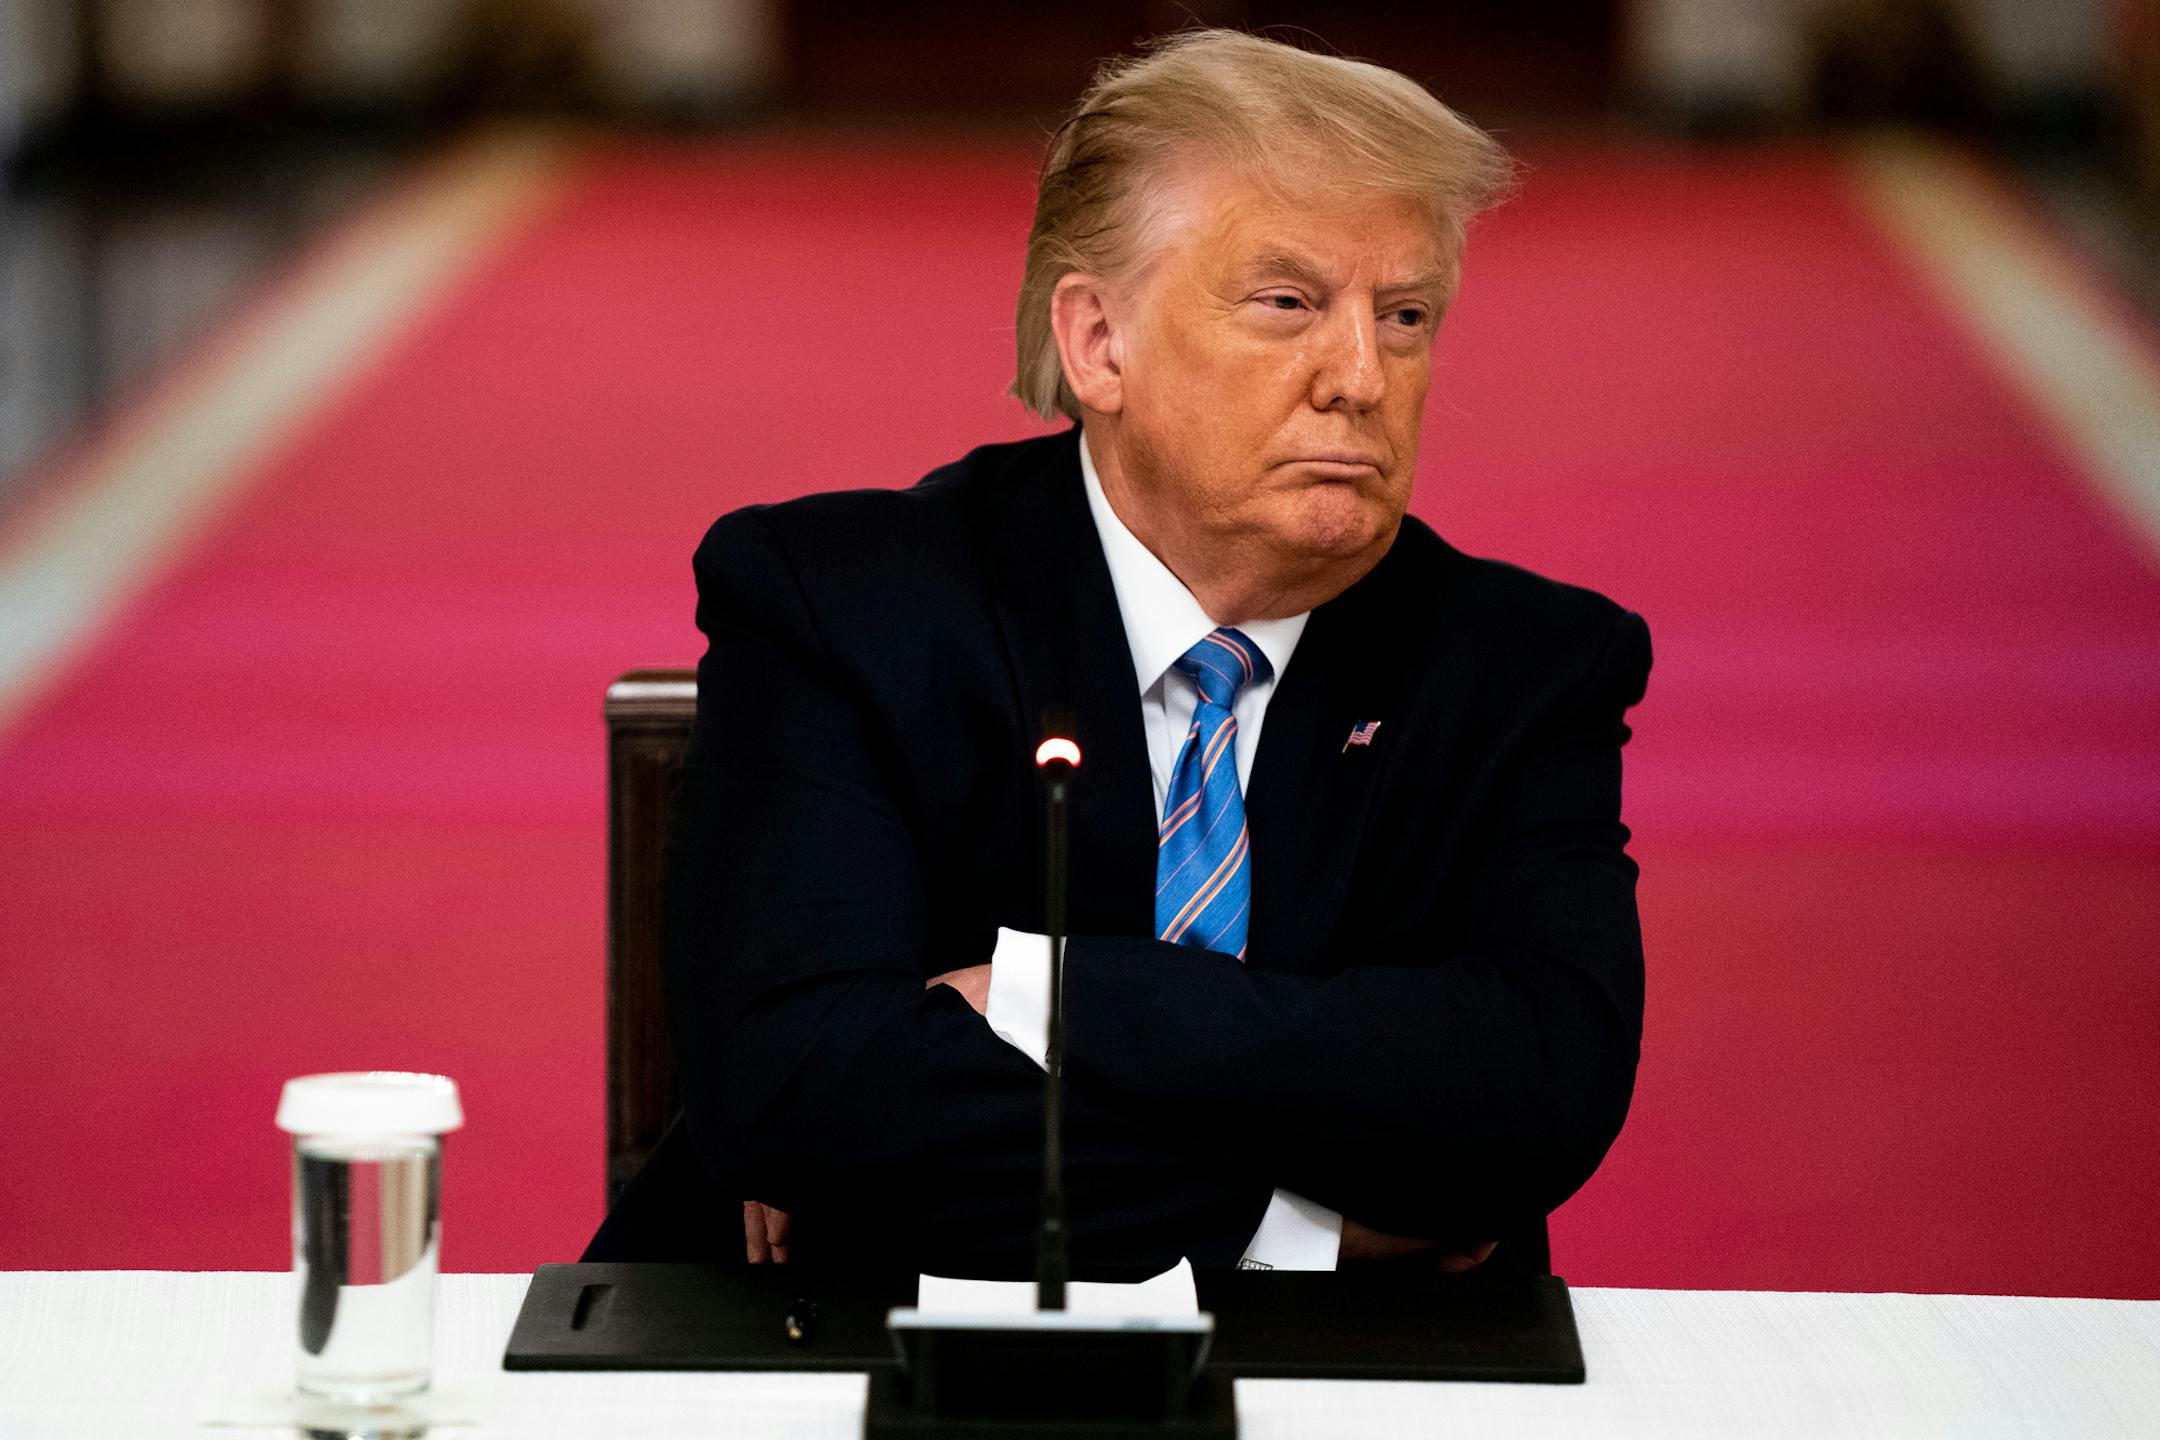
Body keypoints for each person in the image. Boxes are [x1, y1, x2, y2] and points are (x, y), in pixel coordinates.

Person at [586, 28, 1651, 1278]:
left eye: (1405, 314)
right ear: (1098, 342)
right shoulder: (841, 604)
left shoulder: (1525, 668)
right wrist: (1306, 1225)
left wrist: (1045, 997)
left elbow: (1536, 1094)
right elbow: (801, 1095)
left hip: (1378, 1365)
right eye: (1289, 303)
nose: (1363, 376)